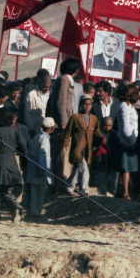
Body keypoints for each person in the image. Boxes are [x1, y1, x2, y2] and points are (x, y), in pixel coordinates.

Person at [0, 107, 28, 223]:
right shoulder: (14, 130)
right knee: (8, 189)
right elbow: (23, 146)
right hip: (12, 161)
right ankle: (15, 208)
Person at [45, 58, 80, 191]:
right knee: (63, 155)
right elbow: (61, 103)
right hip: (62, 126)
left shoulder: (65, 80)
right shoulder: (64, 80)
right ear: (76, 70)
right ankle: (62, 183)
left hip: (64, 124)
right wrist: (65, 123)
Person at [64, 95, 101, 196]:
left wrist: (102, 138)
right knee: (84, 168)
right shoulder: (75, 117)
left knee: (77, 169)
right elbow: (67, 132)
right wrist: (65, 143)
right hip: (77, 149)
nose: (87, 106)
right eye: (85, 104)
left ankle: (69, 186)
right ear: (81, 105)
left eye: (89, 104)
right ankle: (85, 189)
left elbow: (97, 132)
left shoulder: (93, 118)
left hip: (87, 149)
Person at [26, 117, 55, 221]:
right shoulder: (44, 139)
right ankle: (36, 213)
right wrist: (42, 168)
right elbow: (43, 154)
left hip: (32, 168)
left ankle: (33, 211)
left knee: (34, 191)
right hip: (39, 170)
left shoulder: (37, 136)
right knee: (39, 192)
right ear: (52, 128)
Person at [115, 84, 140, 200]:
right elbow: (125, 127)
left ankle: (123, 191)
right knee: (126, 169)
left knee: (127, 168)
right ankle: (125, 193)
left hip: (129, 140)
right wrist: (133, 142)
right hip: (126, 141)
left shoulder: (128, 106)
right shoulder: (124, 107)